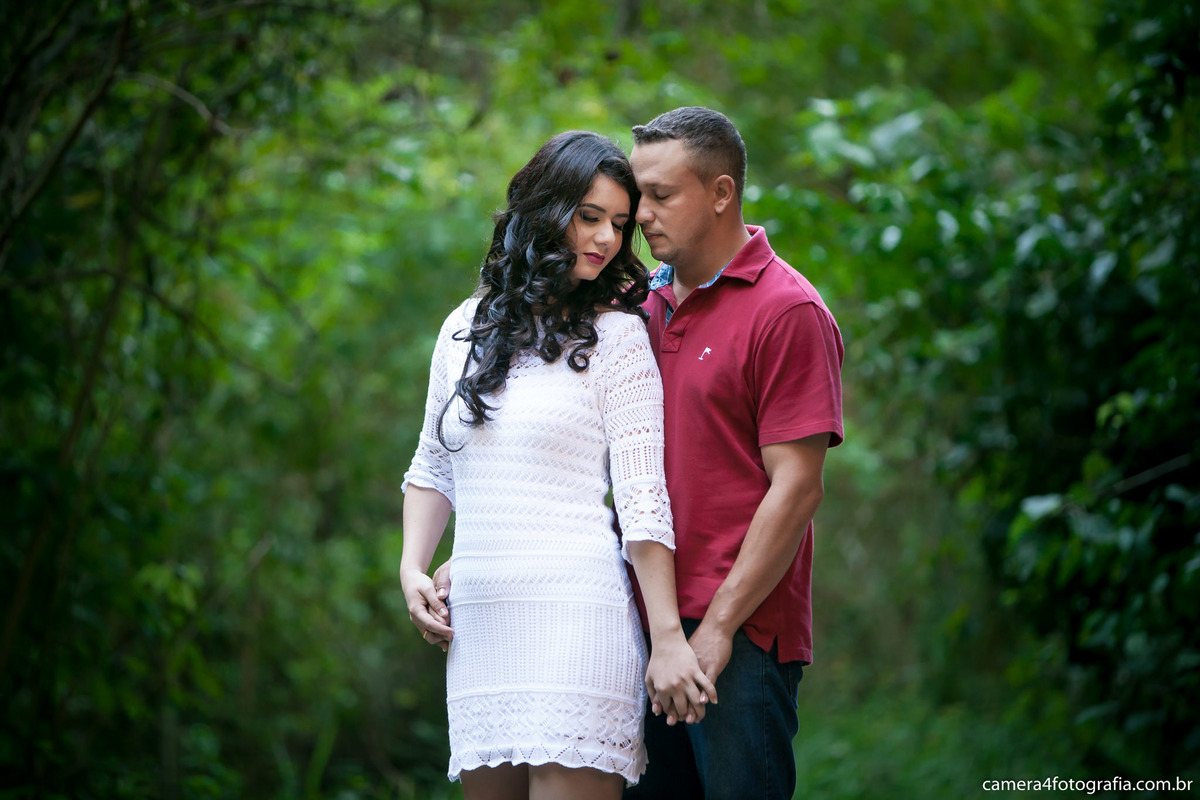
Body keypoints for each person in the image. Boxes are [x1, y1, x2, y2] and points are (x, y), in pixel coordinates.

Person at [399, 130, 716, 800]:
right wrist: (411, 566)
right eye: (589, 217)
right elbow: (433, 462)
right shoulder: (463, 328)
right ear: (545, 211)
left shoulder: (619, 338)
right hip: (481, 624)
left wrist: (666, 637)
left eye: (620, 224)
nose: (605, 240)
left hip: (576, 618)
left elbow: (641, 499)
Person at [623, 107, 845, 800]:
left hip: (742, 636)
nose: (643, 217)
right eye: (639, 200)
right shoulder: (640, 309)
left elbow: (797, 488)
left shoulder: (788, 311)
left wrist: (718, 628)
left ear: (722, 194)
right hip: (638, 624)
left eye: (662, 197)